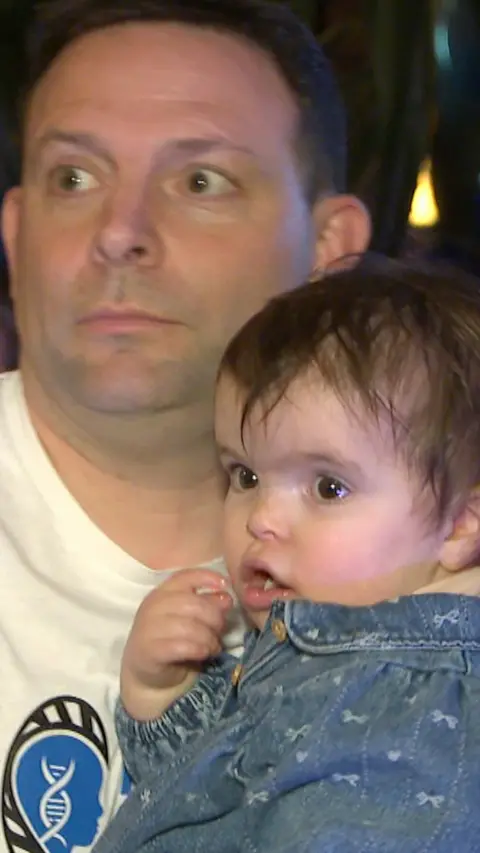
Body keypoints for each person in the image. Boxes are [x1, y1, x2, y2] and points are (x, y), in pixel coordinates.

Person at [0, 0, 370, 849]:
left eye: (200, 180)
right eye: (75, 178)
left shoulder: (426, 563)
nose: (120, 233)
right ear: (15, 235)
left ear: (329, 249)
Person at [95, 258, 480, 853]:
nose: (260, 518)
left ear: (461, 523)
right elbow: (205, 794)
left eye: (328, 487)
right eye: (244, 475)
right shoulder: (299, 653)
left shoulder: (437, 694)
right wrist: (163, 696)